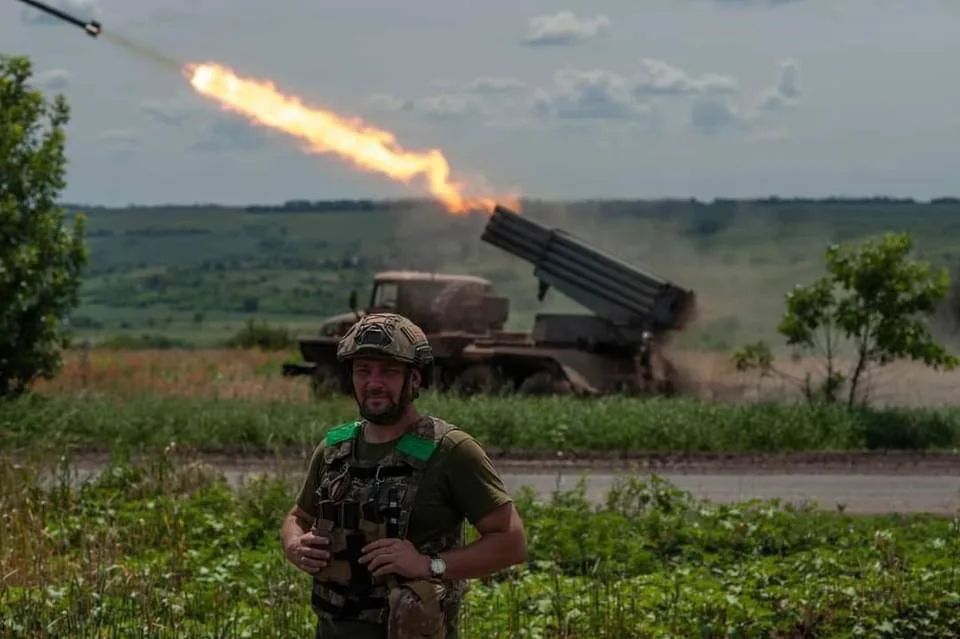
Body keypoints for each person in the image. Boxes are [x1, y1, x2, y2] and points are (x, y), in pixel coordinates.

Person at [280, 313, 527, 639]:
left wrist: (428, 565)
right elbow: (298, 516)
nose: (374, 382)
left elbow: (511, 542)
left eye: (389, 371)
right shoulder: (334, 448)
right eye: (363, 370)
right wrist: (294, 543)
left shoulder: (451, 449)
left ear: (415, 379)